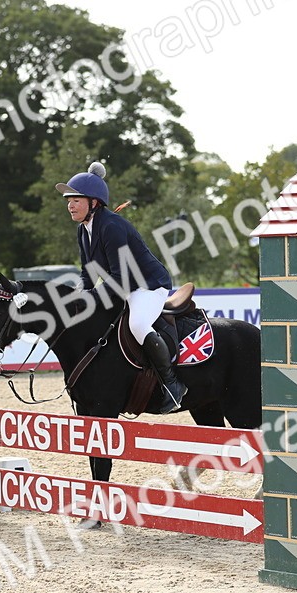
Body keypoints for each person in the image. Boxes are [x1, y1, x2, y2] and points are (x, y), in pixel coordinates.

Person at [57, 161, 187, 413]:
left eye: (75, 200)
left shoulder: (112, 226)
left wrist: (94, 297)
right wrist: (80, 296)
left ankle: (172, 383)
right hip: (124, 286)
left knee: (137, 324)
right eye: (68, 200)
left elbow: (122, 276)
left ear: (93, 202)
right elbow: (89, 271)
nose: (70, 205)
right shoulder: (83, 230)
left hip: (148, 285)